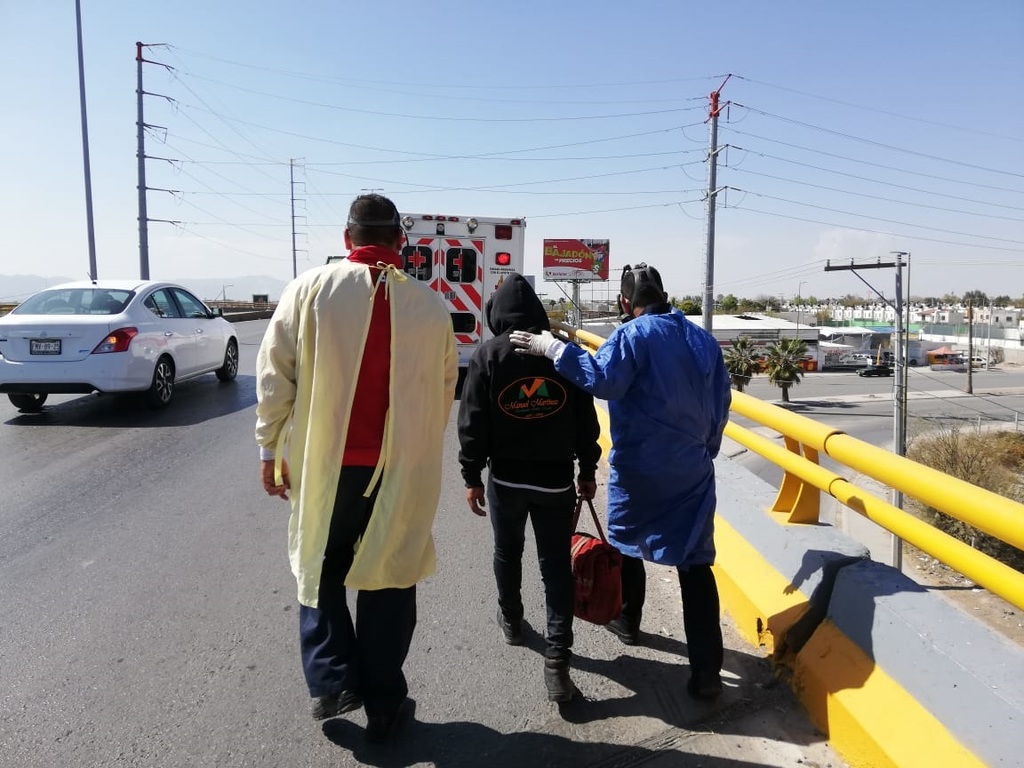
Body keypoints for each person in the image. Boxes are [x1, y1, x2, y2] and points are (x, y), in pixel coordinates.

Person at [254, 194, 458, 741]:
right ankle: (386, 702)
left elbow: (276, 375)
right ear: (399, 243)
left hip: (326, 469)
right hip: (399, 472)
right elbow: (443, 392)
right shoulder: (429, 305)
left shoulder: (309, 290)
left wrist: (270, 450)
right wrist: (413, 454)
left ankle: (334, 680)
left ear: (347, 239)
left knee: (320, 569)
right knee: (390, 578)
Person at [510, 263, 732, 700]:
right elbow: (721, 400)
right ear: (665, 295)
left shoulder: (631, 336)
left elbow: (603, 381)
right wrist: (706, 447)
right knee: (695, 563)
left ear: (624, 303)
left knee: (629, 543)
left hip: (640, 469)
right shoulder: (703, 340)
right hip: (690, 468)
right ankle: (706, 672)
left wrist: (554, 350)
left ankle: (629, 621)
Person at [457, 273, 601, 703]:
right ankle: (558, 657)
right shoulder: (563, 353)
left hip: (506, 480)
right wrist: (588, 470)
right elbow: (585, 421)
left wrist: (470, 476)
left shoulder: (489, 355)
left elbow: (473, 422)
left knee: (507, 552)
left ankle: (513, 620)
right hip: (556, 481)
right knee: (555, 565)